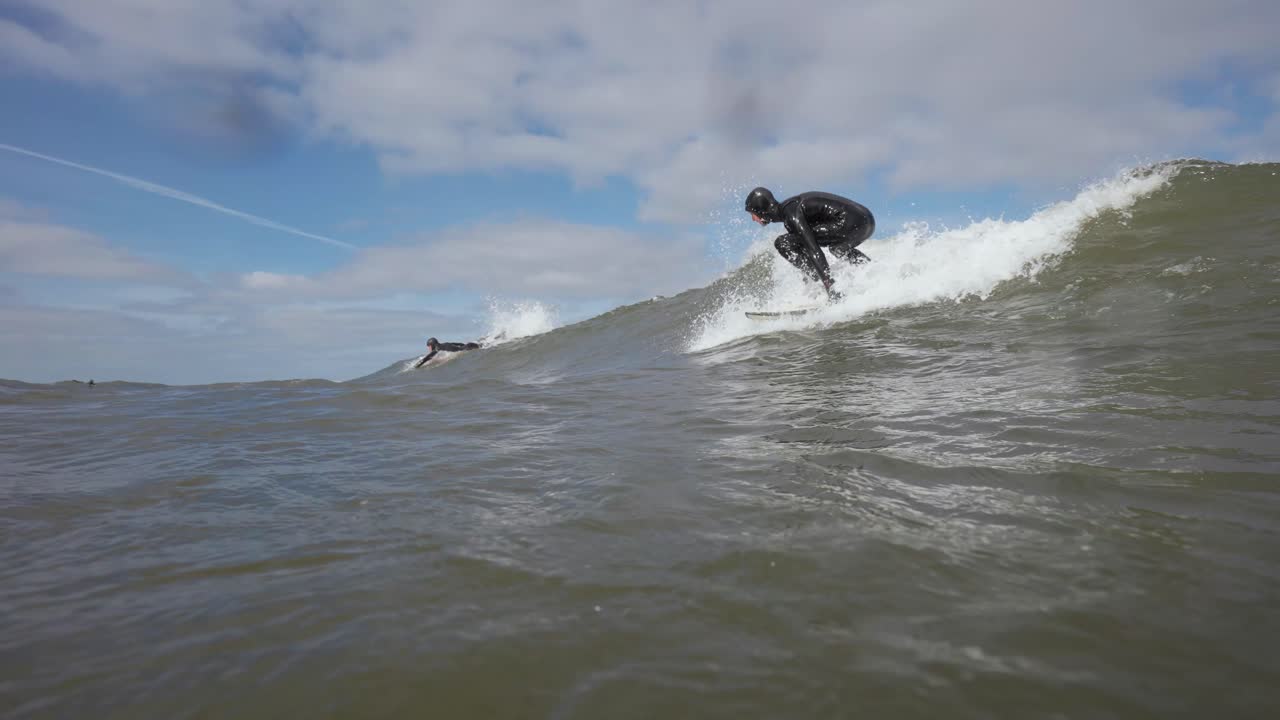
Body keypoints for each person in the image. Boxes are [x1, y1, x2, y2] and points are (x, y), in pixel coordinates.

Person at [745, 186, 875, 300]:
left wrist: (830, 289)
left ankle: (829, 286)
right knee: (837, 249)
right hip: (865, 220)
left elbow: (813, 249)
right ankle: (873, 272)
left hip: (853, 222)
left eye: (753, 213)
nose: (753, 219)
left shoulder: (790, 213)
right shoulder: (790, 210)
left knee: (783, 242)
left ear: (761, 210)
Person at [413, 337, 481, 368]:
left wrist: (417, 366)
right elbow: (459, 343)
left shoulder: (437, 349)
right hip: (469, 345)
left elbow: (426, 358)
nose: (429, 348)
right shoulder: (444, 344)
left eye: (429, 346)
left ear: (432, 345)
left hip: (467, 348)